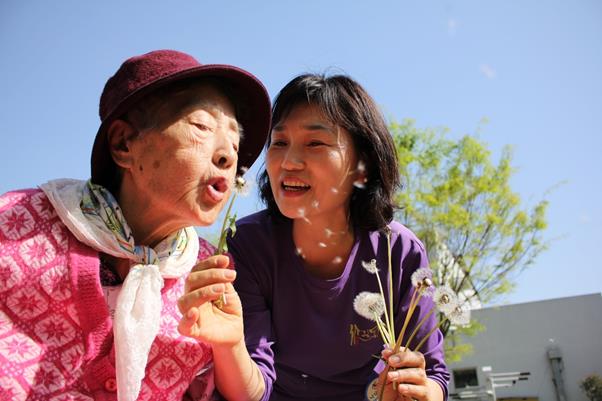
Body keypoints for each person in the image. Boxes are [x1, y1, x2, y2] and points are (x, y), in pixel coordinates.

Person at [0, 49, 270, 401]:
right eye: (202, 126)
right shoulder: (17, 220)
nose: (229, 155)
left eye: (235, 143)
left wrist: (229, 345)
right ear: (124, 144)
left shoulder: (207, 274)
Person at [179, 73, 449, 401]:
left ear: (361, 165)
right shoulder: (245, 247)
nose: (288, 162)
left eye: (315, 143)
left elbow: (435, 374)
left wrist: (419, 390)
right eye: (279, 143)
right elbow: (251, 391)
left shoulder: (400, 252)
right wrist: (230, 345)